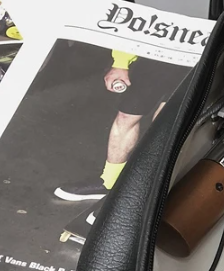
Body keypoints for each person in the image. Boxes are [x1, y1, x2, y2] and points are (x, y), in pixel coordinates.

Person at [54, 51, 185, 201]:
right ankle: (109, 181)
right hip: (160, 56)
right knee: (127, 115)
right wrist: (121, 63)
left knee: (166, 120)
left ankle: (146, 187)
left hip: (198, 61)